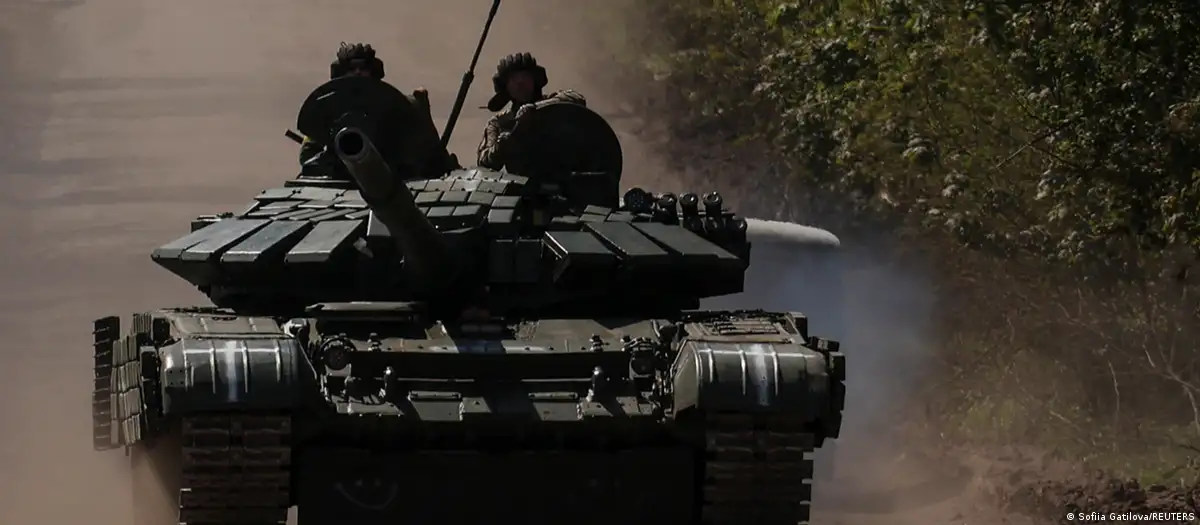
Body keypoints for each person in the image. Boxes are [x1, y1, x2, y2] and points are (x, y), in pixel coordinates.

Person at [300, 43, 459, 179]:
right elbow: (308, 155)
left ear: (373, 72)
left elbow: (427, 152)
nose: (357, 72)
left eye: (363, 68)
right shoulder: (326, 110)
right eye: (351, 68)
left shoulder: (399, 106)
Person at [476, 52, 586, 170]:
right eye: (513, 79)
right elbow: (483, 162)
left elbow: (577, 98)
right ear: (506, 87)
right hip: (523, 180)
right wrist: (501, 146)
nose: (520, 83)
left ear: (535, 81)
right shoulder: (499, 123)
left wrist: (536, 108)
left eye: (525, 77)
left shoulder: (554, 105)